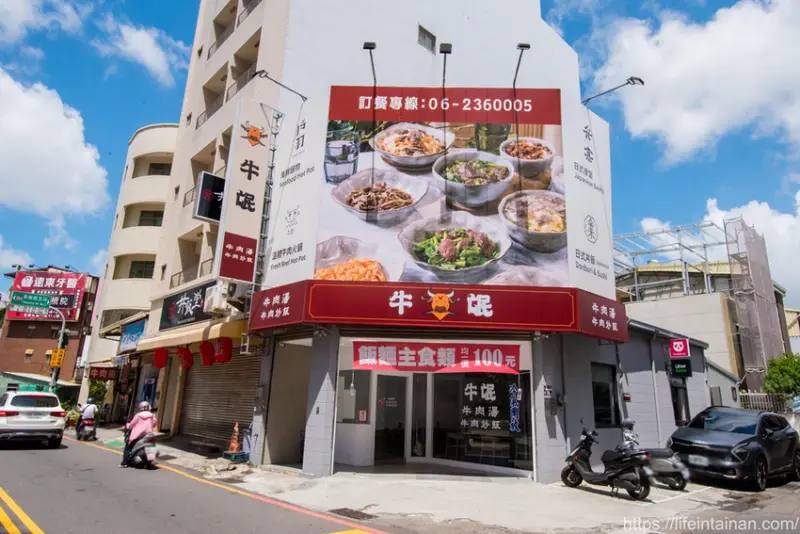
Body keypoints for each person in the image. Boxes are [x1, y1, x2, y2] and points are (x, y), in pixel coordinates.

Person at [120, 401, 157, 468]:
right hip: (148, 434)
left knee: (128, 447)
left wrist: (126, 426)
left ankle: (124, 463)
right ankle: (150, 464)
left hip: (137, 435)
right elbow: (154, 424)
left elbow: (132, 425)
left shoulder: (138, 415)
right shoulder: (152, 416)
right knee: (151, 448)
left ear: (141, 407)